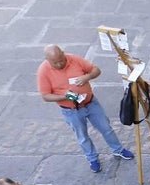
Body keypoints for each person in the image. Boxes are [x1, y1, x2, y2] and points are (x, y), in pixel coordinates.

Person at [36, 44, 134, 173]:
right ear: (47, 60)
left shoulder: (74, 59)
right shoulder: (43, 71)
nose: (60, 64)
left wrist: (87, 77)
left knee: (106, 128)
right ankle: (92, 158)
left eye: (61, 60)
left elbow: (96, 70)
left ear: (63, 53)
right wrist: (63, 96)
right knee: (82, 136)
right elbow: (45, 96)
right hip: (70, 110)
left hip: (90, 103)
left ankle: (118, 150)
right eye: (55, 63)